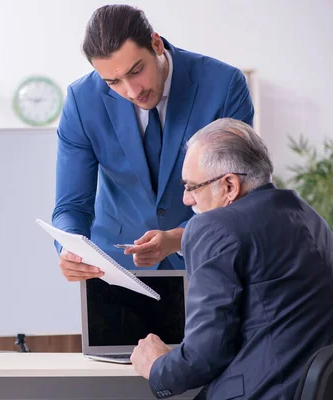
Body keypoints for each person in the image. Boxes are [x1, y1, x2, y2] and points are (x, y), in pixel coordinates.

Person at [130, 118, 333, 399]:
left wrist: (157, 366)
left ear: (229, 186)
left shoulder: (213, 227)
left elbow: (202, 357)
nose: (187, 200)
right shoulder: (309, 217)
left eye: (192, 187)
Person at [53, 4, 254, 279]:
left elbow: (238, 193)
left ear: (156, 44)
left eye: (136, 71)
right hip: (115, 269)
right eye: (113, 82)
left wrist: (178, 238)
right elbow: (71, 206)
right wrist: (69, 248)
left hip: (206, 262)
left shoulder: (224, 85)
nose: (132, 91)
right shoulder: (82, 100)